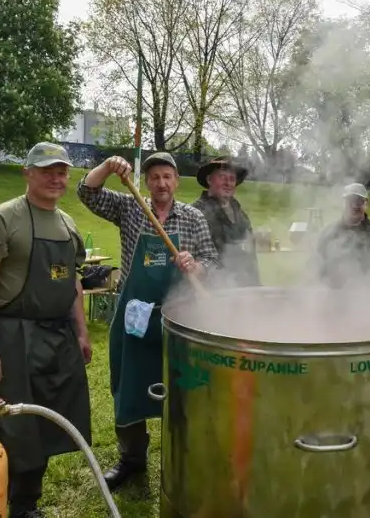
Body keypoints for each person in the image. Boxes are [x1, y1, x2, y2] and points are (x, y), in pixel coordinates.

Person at [77, 151, 218, 490]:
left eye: (167, 176)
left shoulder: (193, 218)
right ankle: (132, 460)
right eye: (154, 177)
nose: (161, 183)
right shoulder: (130, 207)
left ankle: (182, 457)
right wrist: (109, 167)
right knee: (129, 388)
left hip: (181, 319)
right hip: (135, 317)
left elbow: (212, 263)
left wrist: (196, 267)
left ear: (176, 181)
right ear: (146, 183)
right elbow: (87, 192)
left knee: (182, 388)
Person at [0, 142, 93, 518]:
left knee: (50, 422)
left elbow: (72, 283)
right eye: (47, 170)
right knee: (14, 427)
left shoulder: (67, 223)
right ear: (27, 172)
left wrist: (82, 333)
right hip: (14, 336)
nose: (56, 178)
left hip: (58, 338)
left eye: (62, 171)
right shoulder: (3, 218)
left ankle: (25, 504)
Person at [190, 156, 260, 286]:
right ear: (209, 180)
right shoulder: (194, 213)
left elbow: (251, 257)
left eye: (232, 179)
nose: (228, 183)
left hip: (244, 291)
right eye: (222, 177)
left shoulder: (241, 215)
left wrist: (257, 286)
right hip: (212, 291)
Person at [313, 182, 370, 289]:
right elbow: (316, 264)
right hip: (334, 294)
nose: (354, 205)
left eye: (359, 201)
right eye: (350, 201)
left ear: (366, 203)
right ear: (343, 202)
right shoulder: (329, 233)